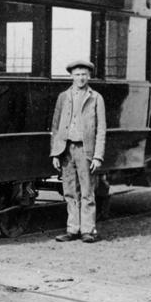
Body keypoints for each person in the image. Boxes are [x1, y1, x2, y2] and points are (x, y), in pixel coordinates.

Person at [50, 59, 106, 243]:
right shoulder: (63, 97)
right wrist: (55, 153)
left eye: (84, 74)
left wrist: (98, 156)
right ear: (71, 76)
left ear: (89, 76)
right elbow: (56, 127)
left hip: (85, 151)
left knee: (87, 191)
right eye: (77, 74)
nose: (81, 78)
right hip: (67, 150)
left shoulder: (96, 98)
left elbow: (101, 129)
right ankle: (72, 229)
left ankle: (88, 230)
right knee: (69, 191)